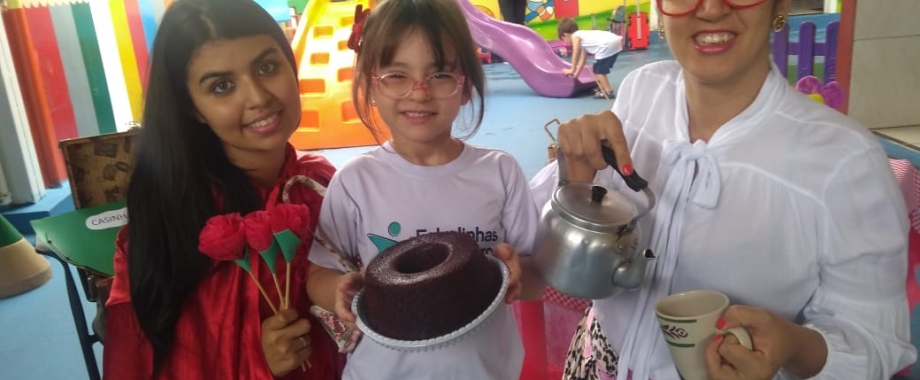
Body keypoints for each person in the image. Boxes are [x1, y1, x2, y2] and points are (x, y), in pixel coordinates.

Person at [532, 0, 918, 378]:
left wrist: (793, 347)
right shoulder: (641, 90)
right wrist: (576, 179)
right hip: (596, 359)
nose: (712, 9)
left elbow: (876, 341)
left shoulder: (845, 162)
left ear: (779, 7)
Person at [102, 0, 344, 378]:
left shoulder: (324, 185)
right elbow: (146, 366)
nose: (258, 97)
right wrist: (257, 366)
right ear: (193, 108)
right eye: (222, 86)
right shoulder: (175, 228)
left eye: (267, 67)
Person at [305, 0, 544, 378]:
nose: (419, 93)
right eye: (397, 75)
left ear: (466, 87)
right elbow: (316, 272)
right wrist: (336, 289)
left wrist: (518, 275)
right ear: (370, 85)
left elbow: (534, 279)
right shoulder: (355, 182)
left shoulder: (500, 173)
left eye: (439, 75)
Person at [557, 18, 623, 99]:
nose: (566, 42)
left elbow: (576, 53)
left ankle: (608, 91)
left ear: (565, 34)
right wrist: (576, 75)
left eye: (564, 40)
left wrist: (572, 69)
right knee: (600, 68)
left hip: (607, 44)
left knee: (598, 70)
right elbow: (582, 60)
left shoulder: (575, 36)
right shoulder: (583, 37)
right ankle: (603, 87)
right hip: (615, 41)